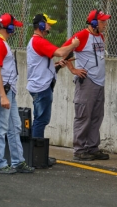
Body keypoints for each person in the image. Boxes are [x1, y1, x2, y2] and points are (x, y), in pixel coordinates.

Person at [26, 13, 79, 164]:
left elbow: (43, 65)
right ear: (41, 25)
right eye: (47, 24)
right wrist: (74, 45)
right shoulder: (38, 41)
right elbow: (61, 52)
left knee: (40, 120)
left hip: (41, 85)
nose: (49, 26)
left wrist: (57, 66)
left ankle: (37, 155)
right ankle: (37, 156)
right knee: (40, 121)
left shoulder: (37, 42)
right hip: (41, 88)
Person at [0, 13, 35, 174]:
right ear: (9, 28)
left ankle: (17, 161)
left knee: (15, 126)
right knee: (0, 127)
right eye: (14, 27)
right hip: (3, 91)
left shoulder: (0, 42)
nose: (15, 30)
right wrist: (2, 96)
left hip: (8, 90)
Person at [64, 9, 111, 161]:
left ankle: (92, 147)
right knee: (84, 115)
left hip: (99, 82)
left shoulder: (100, 36)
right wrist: (73, 70)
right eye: (102, 21)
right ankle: (79, 149)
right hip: (87, 81)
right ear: (94, 23)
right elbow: (64, 51)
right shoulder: (82, 35)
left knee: (96, 116)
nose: (105, 24)